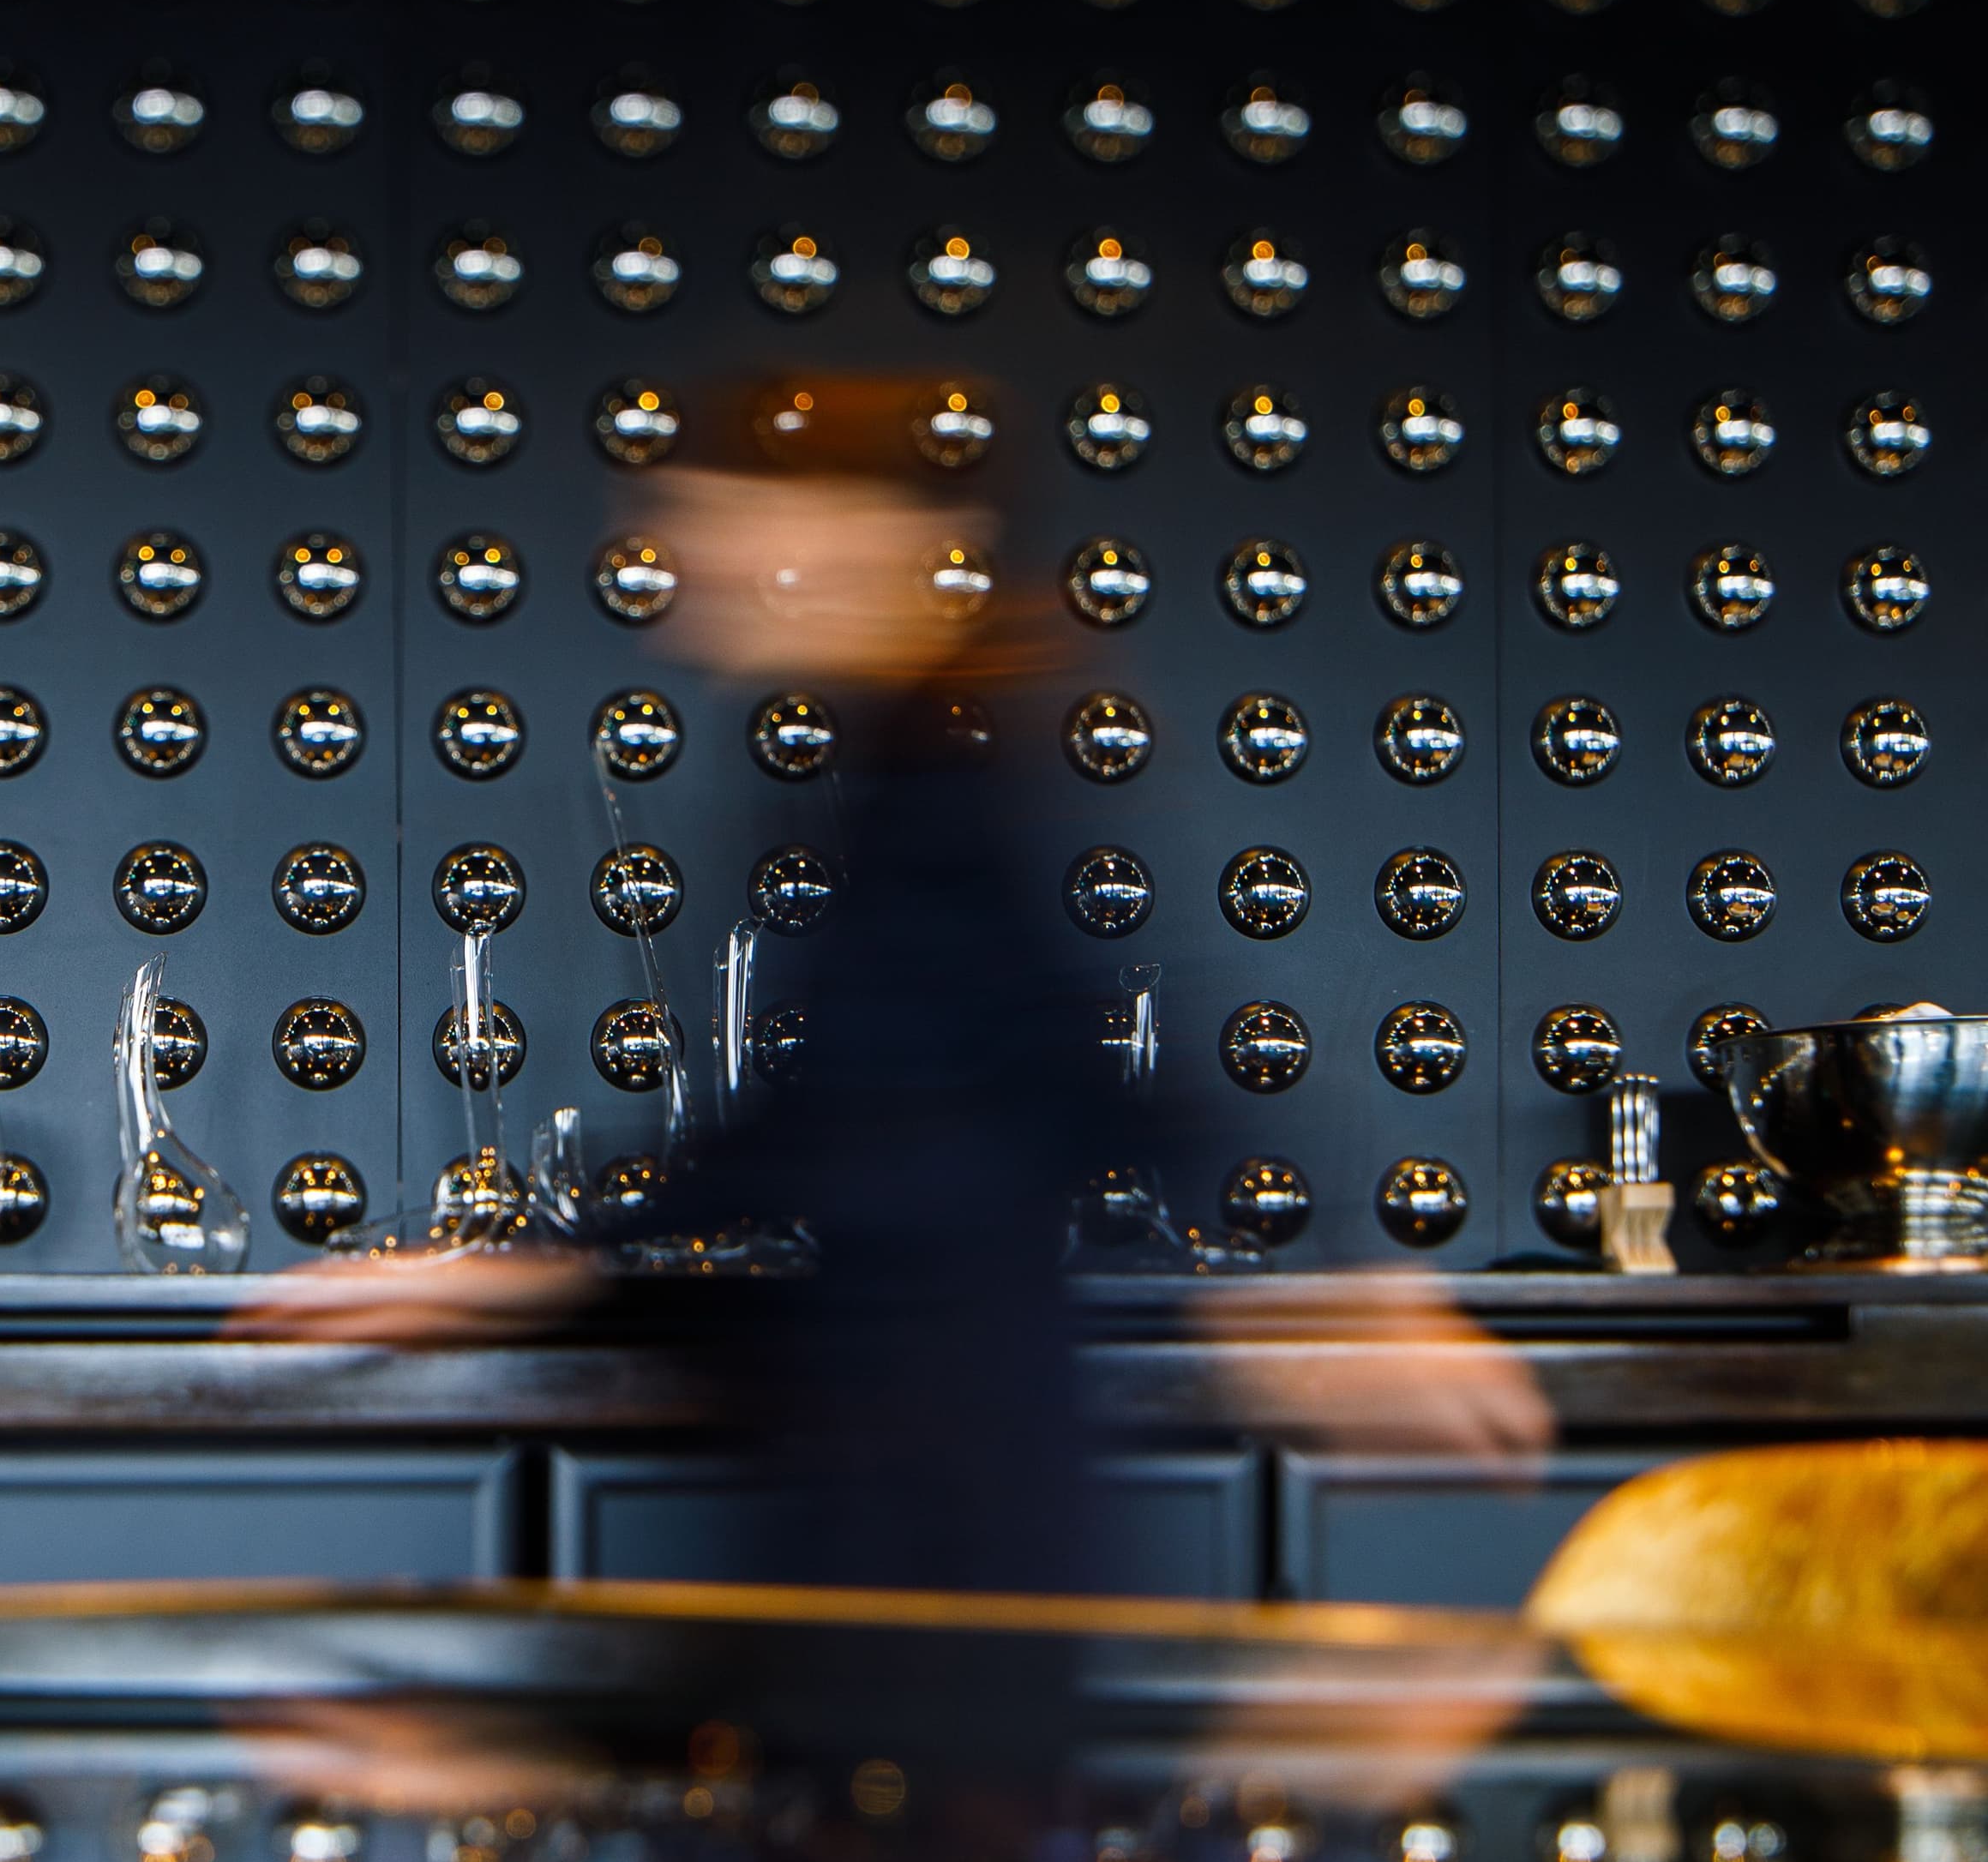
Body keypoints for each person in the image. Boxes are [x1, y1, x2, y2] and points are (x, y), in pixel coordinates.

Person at [234, 370, 1548, 1570]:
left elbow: (1027, 1088)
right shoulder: (900, 767)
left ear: (876, 537)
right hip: (916, 1459)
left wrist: (1330, 1292)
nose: (682, 565)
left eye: (719, 519)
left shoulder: (940, 782)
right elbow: (904, 1100)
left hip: (938, 1473)